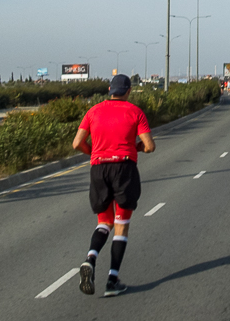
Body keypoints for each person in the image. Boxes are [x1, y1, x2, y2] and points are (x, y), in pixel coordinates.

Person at [72, 74, 155, 297]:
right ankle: (112, 279)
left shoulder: (93, 111)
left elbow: (77, 143)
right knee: (121, 224)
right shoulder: (135, 112)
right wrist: (136, 148)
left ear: (109, 90)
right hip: (124, 169)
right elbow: (150, 146)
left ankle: (90, 258)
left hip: (98, 169)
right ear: (128, 91)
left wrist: (96, 154)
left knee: (104, 222)